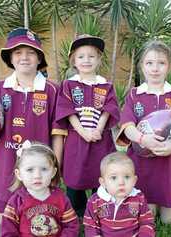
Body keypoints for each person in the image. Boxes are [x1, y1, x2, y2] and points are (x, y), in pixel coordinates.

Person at [0, 28, 65, 223]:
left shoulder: (52, 90)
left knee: (38, 222)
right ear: (10, 57)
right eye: (18, 52)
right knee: (7, 223)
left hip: (39, 170)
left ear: (40, 58)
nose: (24, 57)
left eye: (31, 52)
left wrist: (55, 168)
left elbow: (58, 133)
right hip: (5, 169)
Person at [116, 40, 171, 224]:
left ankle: (168, 199)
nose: (155, 68)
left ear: (169, 67)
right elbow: (127, 125)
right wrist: (142, 138)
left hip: (169, 163)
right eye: (149, 63)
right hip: (141, 164)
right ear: (142, 67)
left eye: (161, 63)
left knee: (169, 221)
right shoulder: (134, 94)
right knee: (147, 215)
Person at [55, 34, 120, 217]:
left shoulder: (106, 85)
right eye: (81, 56)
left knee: (102, 177)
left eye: (91, 56)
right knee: (75, 179)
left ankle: (102, 214)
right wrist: (83, 131)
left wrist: (98, 129)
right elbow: (67, 110)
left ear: (99, 59)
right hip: (77, 141)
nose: (86, 60)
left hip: (101, 141)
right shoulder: (69, 85)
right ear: (73, 61)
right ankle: (76, 214)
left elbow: (109, 108)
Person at [0, 140, 79, 236]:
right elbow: (8, 231)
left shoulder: (61, 199)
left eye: (44, 169)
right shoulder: (16, 202)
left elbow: (71, 226)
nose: (37, 175)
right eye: (30, 170)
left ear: (53, 172)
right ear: (19, 174)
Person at [83, 152, 155, 237]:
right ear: (103, 182)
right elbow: (91, 225)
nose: (121, 182)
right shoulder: (96, 201)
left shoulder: (138, 199)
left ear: (134, 180)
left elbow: (146, 222)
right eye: (114, 178)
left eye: (127, 177)